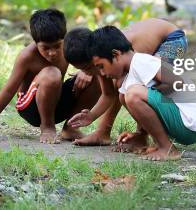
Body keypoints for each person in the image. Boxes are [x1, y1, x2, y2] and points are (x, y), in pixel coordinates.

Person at [0, 9, 101, 143]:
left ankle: (70, 129)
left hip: (56, 103)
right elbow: (9, 90)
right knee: (52, 73)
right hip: (30, 109)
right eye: (46, 48)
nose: (52, 53)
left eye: (57, 46)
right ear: (35, 42)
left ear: (64, 39)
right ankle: (47, 126)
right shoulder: (27, 56)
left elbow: (88, 62)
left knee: (95, 76)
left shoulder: (68, 47)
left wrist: (85, 71)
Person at [87, 26, 196, 160]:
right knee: (124, 94)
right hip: (179, 122)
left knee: (133, 94)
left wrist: (152, 92)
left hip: (188, 123)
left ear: (116, 55)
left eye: (101, 66)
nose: (102, 73)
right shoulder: (131, 74)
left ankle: (167, 148)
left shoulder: (142, 62)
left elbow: (177, 82)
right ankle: (141, 138)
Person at [64, 18, 188, 149]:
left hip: (173, 40)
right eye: (81, 70)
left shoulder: (122, 51)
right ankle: (103, 133)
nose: (87, 73)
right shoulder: (101, 57)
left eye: (88, 68)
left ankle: (155, 139)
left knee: (131, 85)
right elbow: (108, 95)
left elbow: (146, 82)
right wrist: (91, 115)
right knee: (124, 86)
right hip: (153, 39)